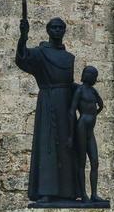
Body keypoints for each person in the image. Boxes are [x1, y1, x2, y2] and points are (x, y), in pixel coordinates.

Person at [15, 16, 78, 202]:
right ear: (48, 31)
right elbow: (22, 57)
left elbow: (69, 82)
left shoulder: (69, 57)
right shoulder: (41, 53)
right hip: (49, 101)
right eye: (54, 27)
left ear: (64, 30)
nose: (58, 30)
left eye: (61, 27)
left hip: (66, 104)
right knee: (48, 145)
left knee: (68, 146)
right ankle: (46, 191)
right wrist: (23, 36)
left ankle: (69, 192)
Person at [69, 65, 105, 203]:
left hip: (90, 128)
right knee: (82, 162)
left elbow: (101, 105)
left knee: (95, 161)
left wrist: (93, 115)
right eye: (93, 75)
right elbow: (72, 111)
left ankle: (94, 194)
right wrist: (71, 136)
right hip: (82, 126)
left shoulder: (93, 91)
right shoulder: (80, 91)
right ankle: (83, 193)